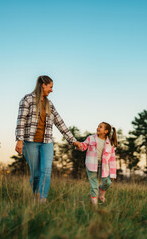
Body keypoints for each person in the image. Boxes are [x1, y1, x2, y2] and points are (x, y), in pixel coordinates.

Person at [15, 75, 81, 203]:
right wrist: (19, 140)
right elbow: (21, 120)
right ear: (43, 85)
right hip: (30, 142)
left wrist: (73, 140)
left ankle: (41, 199)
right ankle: (36, 195)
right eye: (50, 87)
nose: (52, 90)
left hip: (47, 143)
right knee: (36, 175)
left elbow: (60, 123)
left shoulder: (49, 104)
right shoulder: (27, 100)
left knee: (46, 171)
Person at [78, 122, 117, 206]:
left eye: (101, 127)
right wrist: (78, 145)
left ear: (106, 131)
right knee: (94, 186)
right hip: (91, 165)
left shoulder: (110, 143)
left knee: (108, 183)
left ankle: (101, 195)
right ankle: (94, 206)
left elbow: (112, 159)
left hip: (103, 167)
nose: (98, 128)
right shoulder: (91, 138)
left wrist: (113, 174)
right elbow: (83, 146)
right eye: (98, 126)